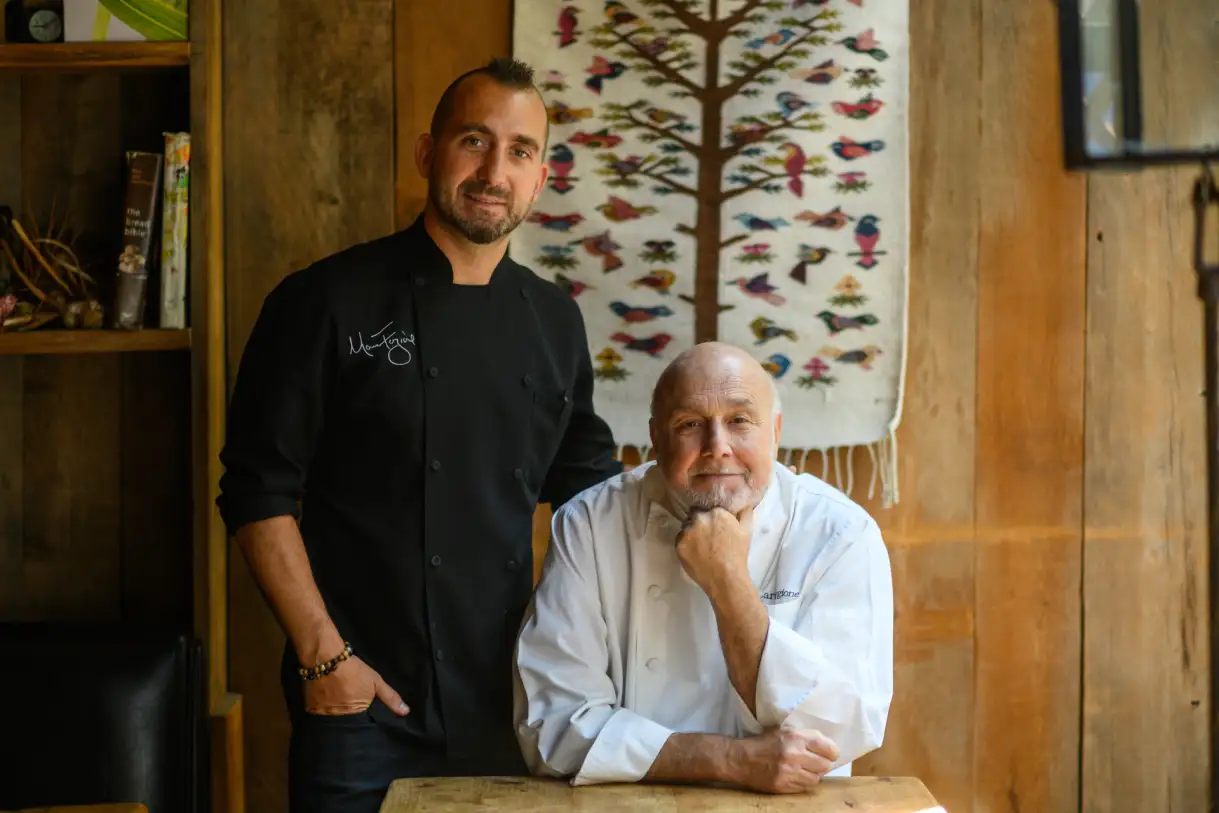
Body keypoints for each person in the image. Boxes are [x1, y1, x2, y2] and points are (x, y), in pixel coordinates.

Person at [215, 57, 622, 813]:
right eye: (473, 140)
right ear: (426, 152)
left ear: (539, 180)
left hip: (513, 700)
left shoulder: (553, 320)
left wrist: (729, 489)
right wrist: (323, 657)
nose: (493, 170)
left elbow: (595, 490)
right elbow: (255, 489)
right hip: (360, 702)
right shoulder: (323, 301)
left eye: (520, 151)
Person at [512, 342, 894, 793]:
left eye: (739, 421)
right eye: (690, 424)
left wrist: (727, 579)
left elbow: (838, 733)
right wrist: (729, 760)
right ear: (655, 437)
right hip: (631, 804)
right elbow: (554, 724)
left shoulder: (839, 533)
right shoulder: (590, 524)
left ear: (775, 431)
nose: (717, 448)